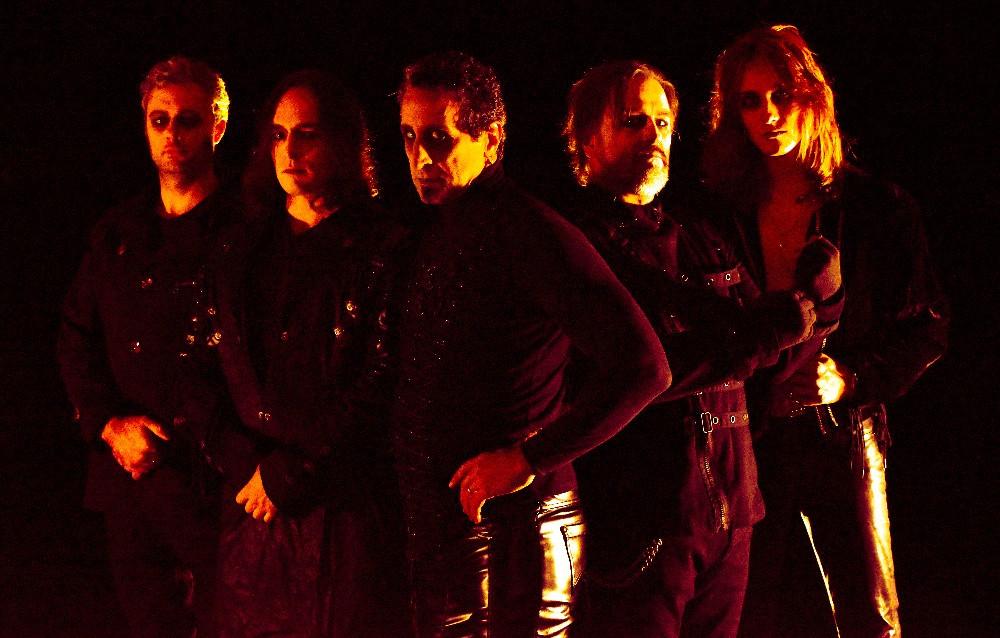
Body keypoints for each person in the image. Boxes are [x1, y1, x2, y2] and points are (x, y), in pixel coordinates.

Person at [393, 51, 670, 636]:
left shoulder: (529, 230)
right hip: (458, 531)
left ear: (491, 140)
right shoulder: (445, 229)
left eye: (439, 139)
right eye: (410, 138)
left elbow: (645, 366)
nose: (420, 157)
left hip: (520, 534)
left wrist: (529, 459)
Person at [561, 60, 832, 638]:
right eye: (632, 121)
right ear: (586, 139)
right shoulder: (576, 248)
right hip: (641, 524)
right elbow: (633, 374)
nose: (653, 136)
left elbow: (770, 361)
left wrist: (818, 304)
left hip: (730, 516)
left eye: (662, 122)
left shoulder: (698, 235)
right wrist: (766, 331)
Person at [702, 25, 949, 638]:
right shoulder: (719, 212)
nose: (768, 114)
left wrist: (849, 378)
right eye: (750, 100)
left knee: (870, 616)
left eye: (781, 95)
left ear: (812, 97)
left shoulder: (876, 207)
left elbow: (928, 327)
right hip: (749, 437)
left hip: (842, 435)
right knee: (748, 614)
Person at [208, 70, 409, 637]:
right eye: (278, 135)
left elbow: (383, 378)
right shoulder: (242, 244)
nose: (290, 151)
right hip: (249, 505)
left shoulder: (382, 248)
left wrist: (294, 471)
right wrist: (244, 463)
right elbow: (203, 362)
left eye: (307, 134)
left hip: (342, 509)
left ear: (342, 141)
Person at [58, 55, 233, 638]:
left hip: (214, 485)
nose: (172, 134)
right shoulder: (119, 230)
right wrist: (109, 424)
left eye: (187, 120)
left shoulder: (247, 230)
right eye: (160, 120)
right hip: (129, 482)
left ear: (217, 127)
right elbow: (76, 336)